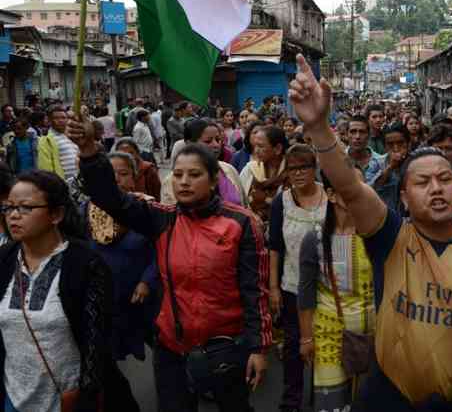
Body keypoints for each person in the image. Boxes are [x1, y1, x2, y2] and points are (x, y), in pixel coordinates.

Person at [288, 54, 452, 412]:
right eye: (422, 182)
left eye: (445, 179)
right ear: (404, 197)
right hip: (387, 397)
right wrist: (319, 128)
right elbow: (350, 186)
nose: (436, 189)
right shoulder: (390, 237)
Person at [71, 116, 271, 411]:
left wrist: (258, 347)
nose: (184, 182)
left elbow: (255, 289)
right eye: (177, 175)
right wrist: (89, 149)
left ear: (214, 179)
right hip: (172, 346)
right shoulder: (161, 217)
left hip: (227, 345)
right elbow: (111, 198)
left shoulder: (240, 223)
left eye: (194, 174)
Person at [0, 170, 109, 412]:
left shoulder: (85, 264)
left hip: (67, 399)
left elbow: (97, 341)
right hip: (12, 397)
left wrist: (86, 394)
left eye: (26, 208)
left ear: (56, 214)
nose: (14, 216)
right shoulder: (4, 260)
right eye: (9, 208)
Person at [85, 151, 158, 412]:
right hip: (106, 298)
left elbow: (164, 251)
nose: (116, 179)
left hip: (144, 297)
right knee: (104, 358)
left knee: (163, 348)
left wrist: (147, 281)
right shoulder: (88, 210)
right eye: (110, 173)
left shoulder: (145, 209)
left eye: (123, 173)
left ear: (135, 177)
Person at [298, 170, 375, 411]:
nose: (357, 191)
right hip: (328, 336)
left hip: (376, 335)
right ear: (330, 194)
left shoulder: (376, 236)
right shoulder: (316, 239)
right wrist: (307, 338)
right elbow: (306, 292)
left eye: (360, 185)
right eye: (349, 185)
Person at [269, 145, 328, 412]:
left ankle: (325, 398)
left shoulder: (331, 197)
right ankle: (291, 400)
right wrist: (273, 288)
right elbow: (275, 247)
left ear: (314, 167)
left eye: (304, 166)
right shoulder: (281, 201)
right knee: (293, 347)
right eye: (293, 168)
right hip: (292, 286)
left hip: (328, 288)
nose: (299, 173)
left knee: (326, 345)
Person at [162, 119, 245, 206]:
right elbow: (172, 215)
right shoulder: (171, 181)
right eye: (208, 141)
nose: (216, 145)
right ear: (189, 143)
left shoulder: (229, 170)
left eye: (218, 140)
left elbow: (245, 207)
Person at [239, 126, 289, 223]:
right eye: (255, 146)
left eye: (261, 146)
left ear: (278, 148)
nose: (256, 151)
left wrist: (265, 199)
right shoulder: (250, 169)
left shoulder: (291, 171)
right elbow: (240, 201)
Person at [366, 124, 410, 212]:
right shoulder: (377, 163)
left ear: (408, 143)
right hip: (386, 216)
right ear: (385, 146)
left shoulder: (416, 162)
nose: (396, 148)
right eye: (390, 144)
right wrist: (390, 167)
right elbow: (369, 190)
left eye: (400, 143)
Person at [37, 106, 79, 181]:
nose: (60, 120)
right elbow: (45, 168)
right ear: (50, 120)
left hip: (78, 184)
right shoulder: (45, 140)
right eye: (56, 118)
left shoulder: (73, 136)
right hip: (62, 185)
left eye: (63, 117)